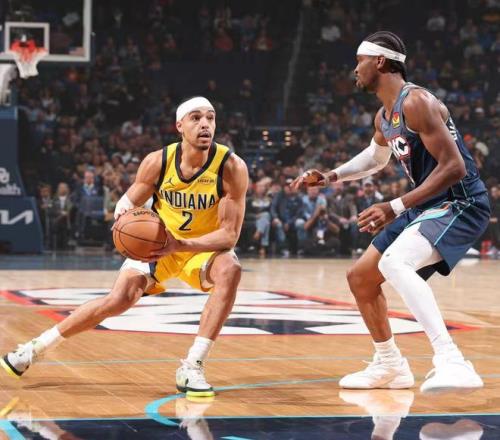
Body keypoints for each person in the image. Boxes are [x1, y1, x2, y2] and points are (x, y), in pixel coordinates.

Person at [1, 96, 249, 398]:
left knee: (230, 269)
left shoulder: (231, 167)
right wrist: (127, 226)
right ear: (179, 126)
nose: (205, 124)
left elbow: (229, 235)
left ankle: (192, 366)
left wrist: (182, 244)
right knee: (118, 299)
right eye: (196, 118)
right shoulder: (158, 162)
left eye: (210, 117)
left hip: (199, 248)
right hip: (159, 246)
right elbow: (126, 203)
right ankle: (34, 349)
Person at [293, 31, 490, 393]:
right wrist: (331, 176)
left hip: (460, 201)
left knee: (394, 262)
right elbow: (376, 157)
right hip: (427, 204)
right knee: (361, 278)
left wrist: (394, 206)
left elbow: (454, 167)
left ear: (380, 61)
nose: (355, 69)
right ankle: (390, 366)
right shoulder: (384, 116)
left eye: (360, 61)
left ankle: (453, 361)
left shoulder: (416, 101)